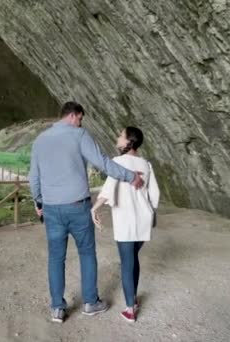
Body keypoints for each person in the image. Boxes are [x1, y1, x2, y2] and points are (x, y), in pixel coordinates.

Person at [29, 101, 145, 323]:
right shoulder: (79, 135)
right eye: (80, 118)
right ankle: (91, 303)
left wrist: (39, 202)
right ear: (73, 116)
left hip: (52, 209)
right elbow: (102, 162)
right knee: (86, 253)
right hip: (77, 206)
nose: (81, 123)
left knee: (55, 258)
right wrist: (132, 176)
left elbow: (34, 176)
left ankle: (57, 308)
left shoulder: (40, 140)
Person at [91, 126, 160, 323]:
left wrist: (94, 208)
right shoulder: (146, 164)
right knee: (132, 259)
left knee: (127, 262)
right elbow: (155, 194)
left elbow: (107, 190)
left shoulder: (118, 162)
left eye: (120, 136)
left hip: (126, 220)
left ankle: (130, 308)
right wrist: (150, 211)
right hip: (143, 220)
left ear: (129, 142)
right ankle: (133, 299)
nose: (117, 138)